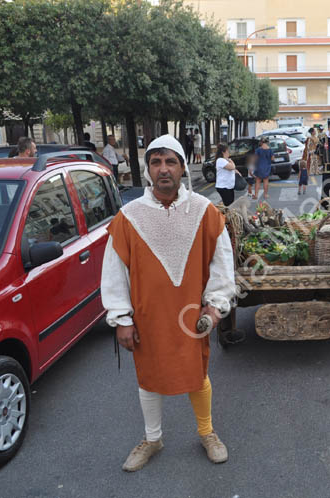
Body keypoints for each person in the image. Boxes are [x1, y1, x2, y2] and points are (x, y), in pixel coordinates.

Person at [101, 134, 236, 473]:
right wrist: (121, 318)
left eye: (170, 161)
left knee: (196, 372)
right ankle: (152, 438)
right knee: (149, 375)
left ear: (181, 168)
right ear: (148, 169)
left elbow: (222, 264)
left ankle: (207, 432)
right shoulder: (128, 216)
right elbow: (114, 271)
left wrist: (215, 304)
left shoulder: (204, 212)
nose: (164, 169)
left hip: (190, 315)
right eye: (156, 161)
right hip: (147, 315)